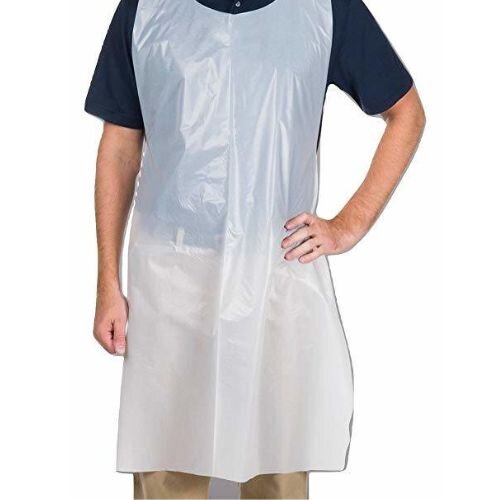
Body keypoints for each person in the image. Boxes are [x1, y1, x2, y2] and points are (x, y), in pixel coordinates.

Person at [85, 0, 425, 498]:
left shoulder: (323, 10)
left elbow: (406, 113)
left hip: (274, 274)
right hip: (171, 277)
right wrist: (107, 283)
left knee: (277, 458)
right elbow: (119, 146)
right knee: (167, 460)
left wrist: (349, 225)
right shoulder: (147, 10)